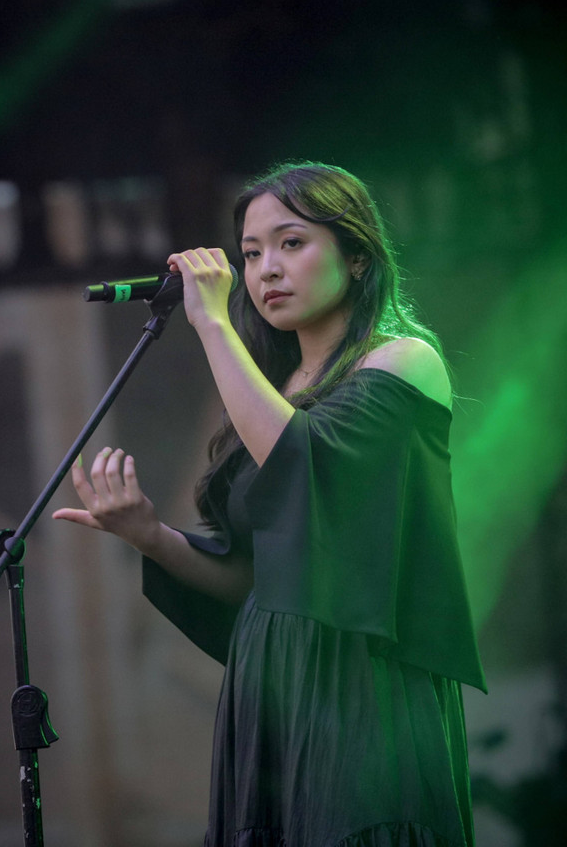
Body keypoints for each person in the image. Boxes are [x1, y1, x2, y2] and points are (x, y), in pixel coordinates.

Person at [53, 161, 487, 847]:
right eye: (251, 253)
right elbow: (254, 581)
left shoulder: (403, 361)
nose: (265, 270)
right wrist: (150, 535)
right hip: (274, 685)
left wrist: (211, 326)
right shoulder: (272, 393)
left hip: (361, 683)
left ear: (356, 253)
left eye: (291, 243)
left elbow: (303, 468)